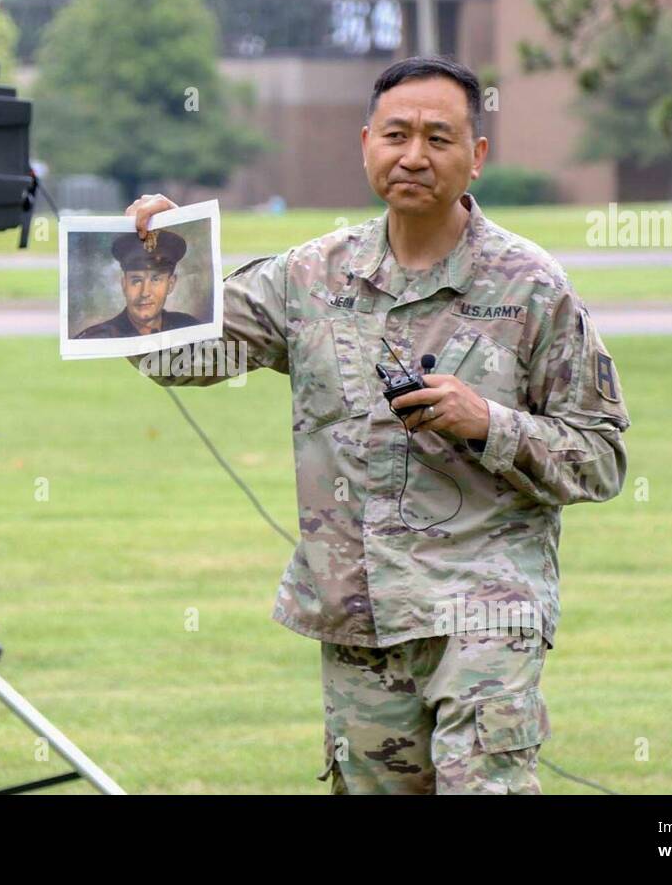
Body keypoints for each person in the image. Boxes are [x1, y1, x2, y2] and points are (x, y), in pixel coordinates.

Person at [124, 56, 631, 794]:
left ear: (477, 156)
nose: (414, 156)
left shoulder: (531, 287)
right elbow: (177, 354)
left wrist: (488, 422)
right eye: (396, 134)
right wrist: (157, 252)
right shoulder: (310, 278)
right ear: (367, 143)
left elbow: (601, 453)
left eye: (438, 137)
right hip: (358, 617)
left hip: (483, 608)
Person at [74, 229, 202, 338]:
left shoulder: (190, 328)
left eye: (155, 280)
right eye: (136, 281)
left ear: (171, 284)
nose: (145, 292)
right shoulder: (98, 337)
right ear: (124, 285)